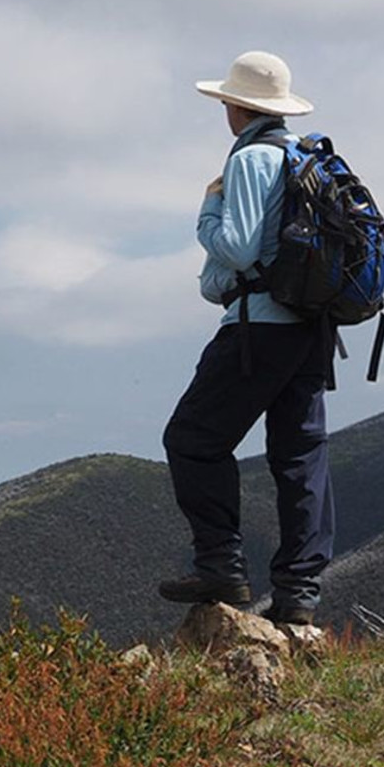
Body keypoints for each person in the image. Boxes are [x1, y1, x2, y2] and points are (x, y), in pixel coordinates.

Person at [158, 50, 333, 626]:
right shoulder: (304, 155)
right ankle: (298, 595)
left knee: (192, 439)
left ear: (236, 106)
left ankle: (221, 567)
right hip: (312, 327)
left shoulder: (252, 159)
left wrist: (208, 210)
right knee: (299, 457)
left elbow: (237, 249)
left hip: (260, 327)